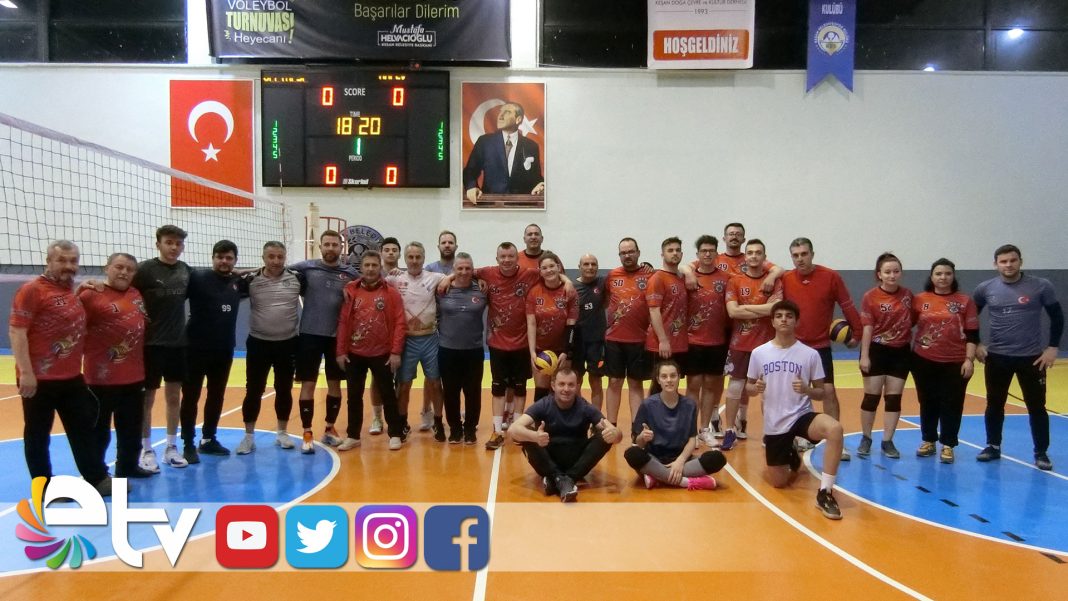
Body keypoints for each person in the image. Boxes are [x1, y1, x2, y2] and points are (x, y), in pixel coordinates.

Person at [10, 240, 111, 494]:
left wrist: (79, 291)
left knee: (83, 429)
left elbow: (59, 311)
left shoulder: (67, 291)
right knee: (38, 434)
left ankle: (97, 478)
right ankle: (43, 486)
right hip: (39, 379)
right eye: (62, 260)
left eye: (73, 261)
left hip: (71, 376)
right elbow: (17, 331)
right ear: (48, 261)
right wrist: (26, 372)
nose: (68, 265)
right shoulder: (31, 290)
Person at [747, 300, 845, 520]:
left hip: (802, 415)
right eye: (779, 316)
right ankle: (791, 453)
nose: (784, 319)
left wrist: (807, 390)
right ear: (772, 321)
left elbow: (821, 393)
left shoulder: (809, 354)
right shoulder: (759, 353)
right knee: (779, 482)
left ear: (796, 321)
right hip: (775, 423)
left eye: (789, 316)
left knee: (835, 429)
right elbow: (749, 387)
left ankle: (825, 492)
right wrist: (756, 388)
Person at [973, 244, 1063, 470]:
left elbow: (1057, 317)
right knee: (994, 404)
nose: (1008, 265)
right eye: (1003, 261)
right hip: (997, 357)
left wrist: (1053, 347)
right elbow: (970, 318)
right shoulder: (985, 288)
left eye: (1013, 260)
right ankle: (993, 446)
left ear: (1020, 261)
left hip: (1031, 358)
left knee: (1037, 406)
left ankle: (1041, 452)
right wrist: (977, 344)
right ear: (995, 264)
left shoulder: (1041, 286)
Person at [781, 237, 863, 461]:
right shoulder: (785, 279)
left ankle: (836, 442)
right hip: (794, 347)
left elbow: (847, 305)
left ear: (812, 254)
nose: (800, 259)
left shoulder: (831, 277)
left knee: (828, 392)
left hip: (820, 347)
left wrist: (856, 334)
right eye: (796, 255)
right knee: (793, 393)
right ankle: (796, 437)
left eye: (804, 254)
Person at [79, 252, 152, 478]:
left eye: (129, 269)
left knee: (131, 428)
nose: (124, 272)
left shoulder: (135, 294)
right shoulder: (90, 294)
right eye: (119, 267)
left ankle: (127, 467)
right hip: (100, 379)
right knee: (99, 430)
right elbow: (72, 324)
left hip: (133, 376)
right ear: (106, 268)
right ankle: (97, 474)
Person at [291, 230, 360, 453]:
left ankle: (329, 429)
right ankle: (307, 432)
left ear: (341, 248)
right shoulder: (307, 267)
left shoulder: (350, 273)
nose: (331, 248)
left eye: (334, 245)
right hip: (309, 335)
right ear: (320, 247)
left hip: (337, 337)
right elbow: (277, 267)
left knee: (335, 384)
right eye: (327, 244)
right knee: (308, 384)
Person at [466, 242, 540, 450]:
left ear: (517, 258)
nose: (507, 260)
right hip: (497, 343)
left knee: (520, 388)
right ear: (497, 258)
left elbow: (554, 274)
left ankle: (517, 429)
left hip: (522, 343)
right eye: (503, 257)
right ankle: (497, 431)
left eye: (510, 256)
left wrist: (567, 282)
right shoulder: (487, 273)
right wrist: (448, 278)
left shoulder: (529, 274)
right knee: (498, 388)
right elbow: (465, 271)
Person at [179, 240, 248, 464]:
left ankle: (208, 439)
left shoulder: (239, 282)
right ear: (213, 258)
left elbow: (264, 274)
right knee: (191, 396)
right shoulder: (197, 278)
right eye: (220, 257)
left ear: (235, 261)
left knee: (216, 395)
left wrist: (243, 273)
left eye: (229, 258)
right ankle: (188, 444)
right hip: (194, 348)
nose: (224, 261)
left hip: (224, 349)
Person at [509, 368, 623, 502]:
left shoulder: (585, 407)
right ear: (553, 386)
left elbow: (615, 432)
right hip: (548, 460)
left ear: (577, 387)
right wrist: (535, 437)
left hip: (576, 461)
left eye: (571, 385)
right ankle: (561, 479)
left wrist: (615, 434)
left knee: (604, 436)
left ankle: (560, 479)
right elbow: (513, 430)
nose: (566, 389)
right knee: (526, 434)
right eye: (561, 384)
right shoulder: (543, 405)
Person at [132, 224, 192, 470]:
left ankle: (171, 447)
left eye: (178, 243)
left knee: (174, 397)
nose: (174, 247)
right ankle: (146, 450)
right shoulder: (144, 270)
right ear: (158, 244)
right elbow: (121, 287)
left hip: (177, 345)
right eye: (169, 242)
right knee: (146, 399)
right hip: (150, 345)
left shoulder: (185, 271)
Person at [235, 241, 302, 455]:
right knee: (254, 390)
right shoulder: (250, 280)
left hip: (288, 343)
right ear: (263, 258)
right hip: (259, 343)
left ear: (285, 258)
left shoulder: (298, 278)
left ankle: (282, 433)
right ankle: (248, 437)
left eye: (280, 257)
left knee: (284, 389)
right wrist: (235, 272)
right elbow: (224, 283)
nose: (275, 261)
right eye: (271, 256)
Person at [336, 250, 407, 450]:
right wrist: (341, 351)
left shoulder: (391, 292)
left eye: (374, 265)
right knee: (353, 396)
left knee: (388, 394)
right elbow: (343, 322)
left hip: (382, 353)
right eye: (366, 265)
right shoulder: (351, 291)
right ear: (361, 268)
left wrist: (396, 352)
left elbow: (400, 322)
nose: (370, 269)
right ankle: (353, 436)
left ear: (380, 267)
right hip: (354, 353)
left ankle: (395, 434)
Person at [911, 258, 979, 464]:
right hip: (923, 360)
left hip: (955, 361)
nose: (943, 277)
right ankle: (928, 440)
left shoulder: (965, 301)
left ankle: (948, 444)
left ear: (953, 276)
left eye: (948, 273)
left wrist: (969, 359)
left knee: (952, 403)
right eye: (939, 273)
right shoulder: (919, 299)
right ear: (931, 276)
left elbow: (972, 333)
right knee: (927, 401)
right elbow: (905, 325)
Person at [625, 360, 725, 490]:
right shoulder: (647, 405)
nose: (669, 380)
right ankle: (686, 482)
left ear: (679, 378)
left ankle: (657, 477)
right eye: (664, 376)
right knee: (632, 454)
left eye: (673, 376)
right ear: (658, 380)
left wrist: (680, 461)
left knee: (718, 458)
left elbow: (692, 439)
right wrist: (643, 437)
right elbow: (638, 444)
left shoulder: (689, 405)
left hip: (682, 460)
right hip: (655, 459)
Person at [722, 239, 783, 450]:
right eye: (750, 253)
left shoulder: (773, 282)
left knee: (768, 389)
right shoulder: (735, 281)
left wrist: (746, 308)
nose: (754, 256)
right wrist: (763, 308)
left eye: (758, 253)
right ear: (745, 257)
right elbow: (733, 312)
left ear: (764, 257)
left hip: (767, 346)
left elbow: (775, 309)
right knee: (735, 387)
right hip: (740, 343)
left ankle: (770, 432)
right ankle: (729, 430)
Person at [388, 242, 446, 440]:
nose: (414, 261)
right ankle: (402, 423)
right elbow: (372, 282)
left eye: (418, 257)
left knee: (435, 383)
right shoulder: (394, 279)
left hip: (430, 339)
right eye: (410, 257)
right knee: (404, 385)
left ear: (423, 258)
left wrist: (451, 278)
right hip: (406, 341)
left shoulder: (435, 277)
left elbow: (457, 276)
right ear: (404, 258)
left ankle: (438, 422)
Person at [857, 252, 913, 459]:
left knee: (893, 398)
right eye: (887, 272)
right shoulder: (870, 297)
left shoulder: (908, 296)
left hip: (900, 352)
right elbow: (867, 327)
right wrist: (865, 355)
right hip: (876, 350)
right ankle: (866, 437)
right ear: (879, 274)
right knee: (871, 397)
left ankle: (888, 441)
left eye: (896, 271)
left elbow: (913, 320)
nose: (892, 275)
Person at [436, 252, 488, 444]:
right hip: (447, 349)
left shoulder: (482, 289)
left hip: (473, 350)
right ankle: (455, 429)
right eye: (460, 268)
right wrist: (448, 278)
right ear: (454, 270)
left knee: (473, 392)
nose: (464, 272)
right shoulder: (442, 288)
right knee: (450, 391)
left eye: (468, 268)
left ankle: (470, 429)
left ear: (473, 270)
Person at [686, 235, 731, 447]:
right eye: (703, 251)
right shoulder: (688, 276)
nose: (707, 254)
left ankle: (704, 429)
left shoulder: (726, 278)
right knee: (693, 385)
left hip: (717, 341)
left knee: (711, 386)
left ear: (716, 253)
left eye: (711, 250)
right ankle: (690, 431)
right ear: (697, 254)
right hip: (693, 340)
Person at [604, 237, 654, 425]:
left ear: (638, 253)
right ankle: (611, 425)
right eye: (623, 253)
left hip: (639, 339)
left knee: (635, 383)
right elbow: (606, 300)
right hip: (614, 339)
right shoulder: (612, 276)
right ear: (619, 255)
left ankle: (637, 426)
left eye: (631, 251)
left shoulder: (650, 275)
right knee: (614, 382)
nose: (627, 255)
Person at [463, 102, 545, 205]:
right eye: (500, 111)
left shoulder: (531, 146)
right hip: (491, 206)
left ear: (518, 119)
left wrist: (540, 185)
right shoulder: (485, 142)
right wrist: (471, 187)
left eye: (507, 112)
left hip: (522, 207)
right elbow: (470, 171)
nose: (500, 115)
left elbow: (536, 177)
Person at [526, 252, 578, 401]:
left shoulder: (569, 291)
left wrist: (566, 351)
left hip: (562, 349)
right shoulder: (534, 292)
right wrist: (532, 352)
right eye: (544, 268)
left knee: (562, 389)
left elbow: (571, 326)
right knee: (541, 390)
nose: (549, 270)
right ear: (540, 271)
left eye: (551, 266)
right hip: (541, 349)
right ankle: (539, 417)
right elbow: (531, 324)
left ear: (558, 267)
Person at [646, 237, 689, 391]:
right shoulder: (657, 278)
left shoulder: (682, 278)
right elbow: (653, 310)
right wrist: (663, 340)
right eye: (670, 250)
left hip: (679, 343)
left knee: (673, 386)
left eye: (678, 250)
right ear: (662, 254)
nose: (674, 253)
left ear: (682, 254)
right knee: (660, 385)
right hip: (662, 344)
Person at [369, 236, 402, 434]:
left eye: (394, 250)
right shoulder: (372, 275)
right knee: (377, 379)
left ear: (399, 254)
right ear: (381, 253)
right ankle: (376, 418)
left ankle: (397, 417)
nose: (390, 252)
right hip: (378, 336)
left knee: (401, 379)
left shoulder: (404, 276)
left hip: (400, 335)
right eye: (387, 250)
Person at [573, 254, 608, 410]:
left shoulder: (602, 283)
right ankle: (578, 413)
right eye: (586, 264)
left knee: (596, 380)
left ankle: (596, 417)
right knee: (576, 380)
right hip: (577, 342)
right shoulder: (572, 288)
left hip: (597, 341)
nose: (590, 267)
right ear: (579, 267)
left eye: (593, 264)